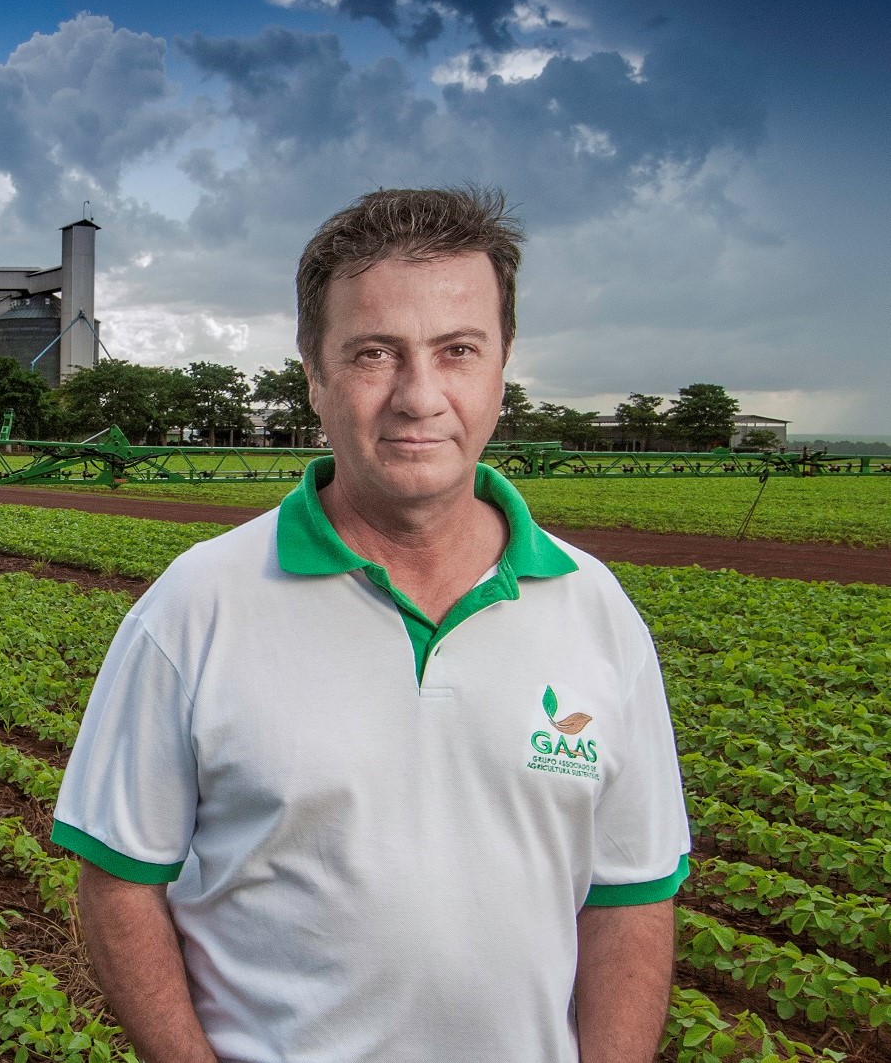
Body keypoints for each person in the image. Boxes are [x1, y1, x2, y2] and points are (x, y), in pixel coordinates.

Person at [53, 186, 689, 1063]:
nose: (418, 396)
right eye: (373, 354)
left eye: (457, 350)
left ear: (501, 367)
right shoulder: (196, 604)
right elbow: (118, 882)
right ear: (313, 375)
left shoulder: (596, 609)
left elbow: (629, 895)